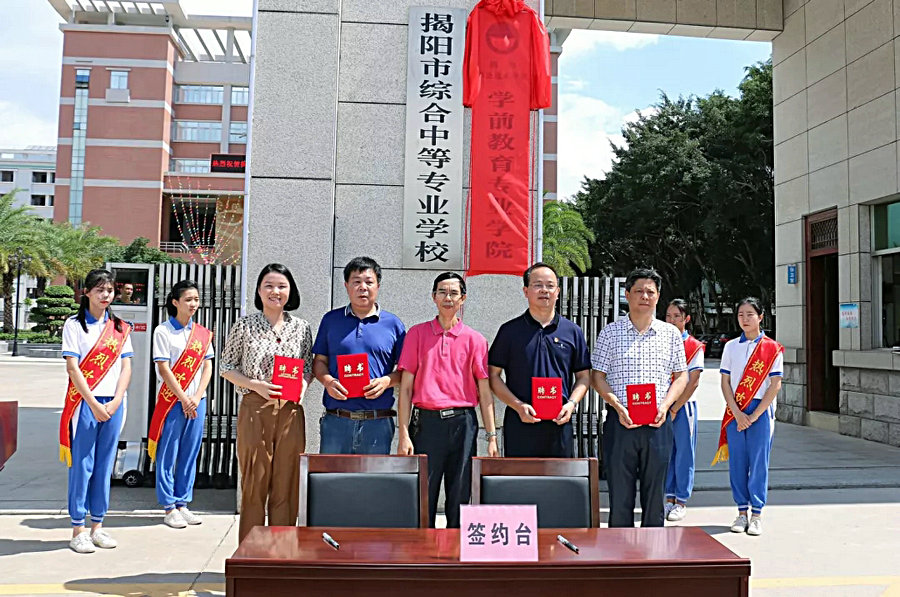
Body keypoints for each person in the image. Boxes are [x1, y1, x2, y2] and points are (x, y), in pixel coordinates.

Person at [396, 272, 499, 528]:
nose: (448, 298)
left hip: (463, 424)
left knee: (460, 493)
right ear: (433, 297)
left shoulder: (475, 339)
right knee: (424, 494)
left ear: (463, 298)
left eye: (454, 293)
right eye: (442, 292)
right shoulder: (417, 334)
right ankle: (423, 549)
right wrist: (403, 434)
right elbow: (406, 389)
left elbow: (485, 391)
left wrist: (492, 436)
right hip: (427, 424)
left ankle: (456, 549)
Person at [220, 263, 313, 542]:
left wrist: (303, 387)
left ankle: (281, 553)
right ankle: (252, 554)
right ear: (259, 291)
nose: (275, 291)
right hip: (255, 408)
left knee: (287, 482)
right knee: (254, 481)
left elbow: (307, 367)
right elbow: (226, 366)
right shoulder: (245, 325)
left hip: (290, 411)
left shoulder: (302, 328)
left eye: (282, 286)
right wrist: (255, 385)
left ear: (290, 291)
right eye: (269, 286)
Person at [591, 268, 687, 528]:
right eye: (639, 291)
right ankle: (620, 549)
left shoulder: (670, 334)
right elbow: (597, 376)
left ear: (658, 296)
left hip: (658, 424)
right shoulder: (610, 332)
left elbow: (681, 376)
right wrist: (617, 405)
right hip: (620, 423)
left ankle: (653, 549)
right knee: (620, 496)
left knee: (655, 498)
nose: (645, 296)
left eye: (650, 292)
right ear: (627, 294)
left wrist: (666, 406)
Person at [60, 269, 135, 553]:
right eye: (100, 290)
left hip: (114, 403)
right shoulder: (74, 325)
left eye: (110, 290)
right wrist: (93, 403)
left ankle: (98, 526)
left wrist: (116, 400)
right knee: (83, 464)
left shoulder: (120, 327)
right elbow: (73, 368)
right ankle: (77, 528)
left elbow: (126, 367)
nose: (106, 295)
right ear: (87, 292)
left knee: (105, 465)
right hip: (84, 402)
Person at [488, 262, 591, 457]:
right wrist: (518, 405)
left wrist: (571, 404)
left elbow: (584, 376)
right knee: (521, 476)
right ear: (526, 291)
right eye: (537, 285)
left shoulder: (572, 331)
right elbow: (493, 375)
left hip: (560, 423)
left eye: (550, 285)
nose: (544, 290)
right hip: (520, 422)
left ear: (558, 292)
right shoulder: (509, 331)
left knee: (559, 476)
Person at [312, 257, 406, 454]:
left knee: (375, 475)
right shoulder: (331, 320)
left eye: (369, 282)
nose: (363, 287)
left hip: (378, 423)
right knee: (331, 474)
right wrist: (328, 381)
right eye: (356, 281)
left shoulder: (393, 324)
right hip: (337, 420)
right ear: (346, 286)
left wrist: (387, 381)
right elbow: (319, 361)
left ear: (378, 286)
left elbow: (405, 370)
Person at [714, 297, 783, 537]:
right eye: (741, 314)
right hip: (735, 411)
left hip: (760, 413)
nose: (745, 319)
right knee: (738, 463)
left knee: (758, 463)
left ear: (761, 317)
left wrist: (753, 416)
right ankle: (741, 512)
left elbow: (775, 385)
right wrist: (736, 411)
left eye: (750, 314)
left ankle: (757, 514)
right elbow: (725, 382)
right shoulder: (731, 347)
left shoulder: (772, 348)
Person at [149, 280, 214, 529]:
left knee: (190, 452)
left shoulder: (202, 333)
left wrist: (197, 396)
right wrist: (184, 398)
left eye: (196, 299)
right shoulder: (163, 331)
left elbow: (207, 366)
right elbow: (163, 368)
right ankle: (168, 506)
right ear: (175, 302)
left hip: (197, 401)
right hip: (172, 402)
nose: (193, 304)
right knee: (168, 452)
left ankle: (182, 502)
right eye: (188, 299)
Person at [663, 299, 705, 522]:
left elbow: (693, 381)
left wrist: (676, 407)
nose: (671, 321)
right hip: (662, 405)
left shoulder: (694, 346)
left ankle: (681, 500)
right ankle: (668, 497)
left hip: (684, 406)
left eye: (677, 316)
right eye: (668, 316)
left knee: (684, 453)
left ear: (686, 319)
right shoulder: (660, 341)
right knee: (666, 452)